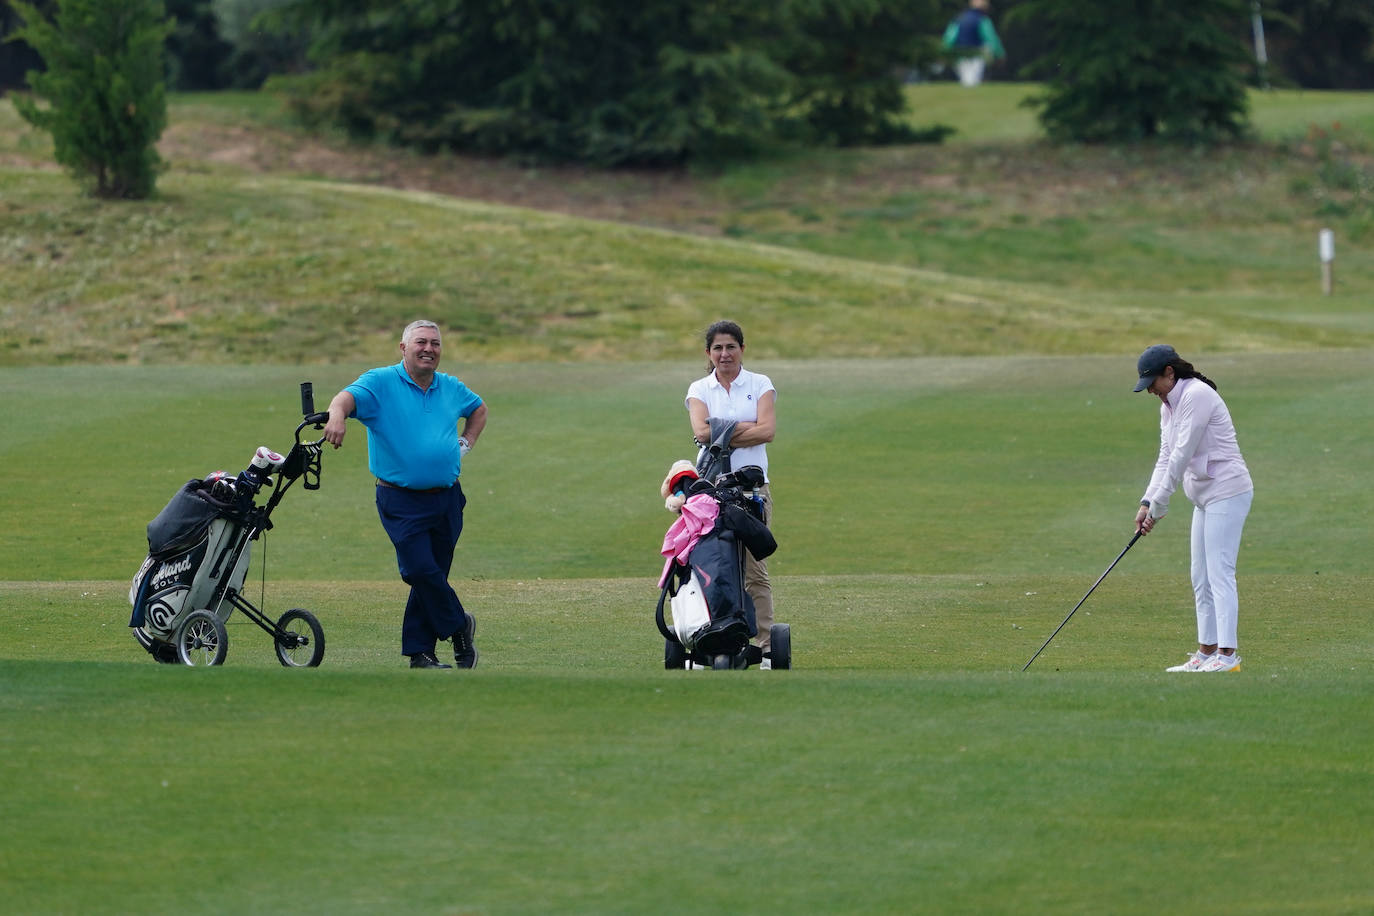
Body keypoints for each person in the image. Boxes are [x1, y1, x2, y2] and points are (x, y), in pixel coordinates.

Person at [323, 319, 488, 670]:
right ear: (403, 348)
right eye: (421, 342)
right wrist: (336, 416)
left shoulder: (450, 386)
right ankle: (459, 625)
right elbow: (345, 398)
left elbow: (478, 410)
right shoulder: (381, 382)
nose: (429, 349)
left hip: (447, 498)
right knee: (418, 569)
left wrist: (466, 443)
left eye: (435, 344)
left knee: (432, 576)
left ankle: (420, 654)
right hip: (401, 499)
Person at [1132, 345, 1253, 673]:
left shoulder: (1197, 395)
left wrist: (1160, 504)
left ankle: (1228, 658)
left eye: (1153, 382)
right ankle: (1206, 652)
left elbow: (1181, 455)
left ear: (1170, 372)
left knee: (1220, 573)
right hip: (1203, 496)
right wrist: (1147, 502)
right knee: (1200, 577)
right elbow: (1164, 456)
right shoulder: (1167, 406)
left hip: (1227, 491)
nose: (1152, 391)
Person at [685, 320, 777, 667]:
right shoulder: (699, 388)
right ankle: (705, 634)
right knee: (709, 562)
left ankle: (766, 645)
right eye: (718, 348)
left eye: (731, 347)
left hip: (752, 489)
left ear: (742, 349)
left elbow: (767, 431)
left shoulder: (760, 384)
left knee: (755, 569)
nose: (725, 354)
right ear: (709, 353)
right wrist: (743, 428)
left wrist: (719, 429)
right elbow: (699, 431)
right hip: (709, 489)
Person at [941, 0, 1005, 88]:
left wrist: (944, 54)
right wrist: (1000, 54)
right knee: (973, 81)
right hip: (977, 54)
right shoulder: (982, 20)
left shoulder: (958, 19)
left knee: (966, 81)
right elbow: (991, 39)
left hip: (959, 55)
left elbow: (949, 39)